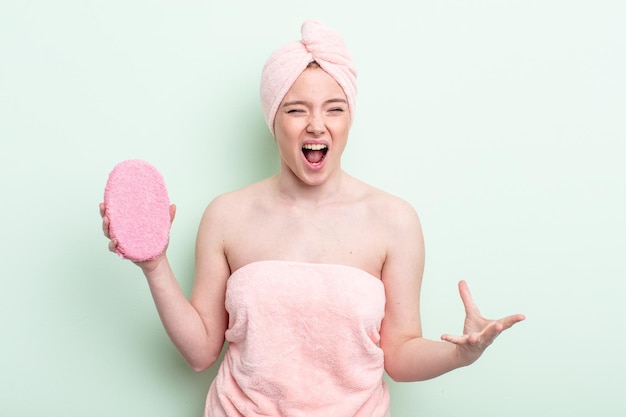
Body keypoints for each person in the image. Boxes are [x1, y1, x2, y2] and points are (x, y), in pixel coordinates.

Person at [100, 20, 524, 417]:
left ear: (349, 118)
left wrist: (460, 355)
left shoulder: (395, 220)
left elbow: (399, 352)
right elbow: (199, 354)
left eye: (334, 109)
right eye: (296, 110)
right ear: (273, 120)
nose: (316, 125)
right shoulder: (226, 215)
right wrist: (153, 265)